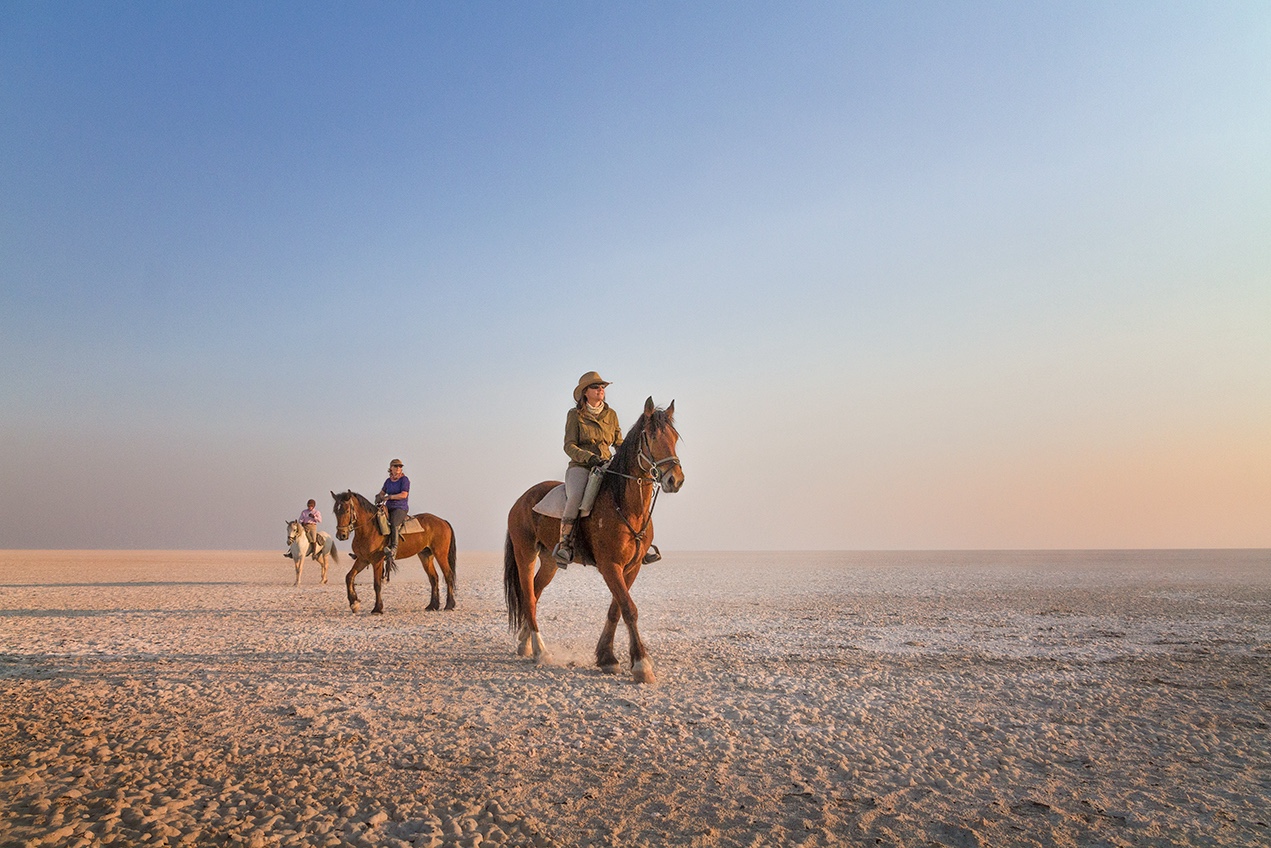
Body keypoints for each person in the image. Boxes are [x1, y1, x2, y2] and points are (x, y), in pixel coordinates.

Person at [554, 371, 623, 567]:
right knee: (575, 496)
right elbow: (569, 446)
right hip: (582, 466)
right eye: (596, 386)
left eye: (602, 386)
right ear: (585, 392)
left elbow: (619, 442)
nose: (601, 389)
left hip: (607, 465)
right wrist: (589, 458)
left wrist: (626, 456)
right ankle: (565, 544)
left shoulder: (611, 415)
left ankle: (639, 543)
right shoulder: (575, 415)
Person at [376, 459, 410, 566]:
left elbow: (404, 495)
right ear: (391, 468)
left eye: (399, 466)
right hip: (388, 507)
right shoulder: (388, 481)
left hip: (400, 508)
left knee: (394, 524)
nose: (398, 468)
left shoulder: (404, 480)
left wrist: (390, 497)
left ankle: (394, 549)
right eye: (396, 466)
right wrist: (379, 497)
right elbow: (382, 493)